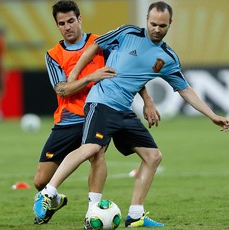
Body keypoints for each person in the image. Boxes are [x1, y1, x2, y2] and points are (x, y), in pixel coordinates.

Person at [34, 1, 229, 228]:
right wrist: (77, 74)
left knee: (153, 156)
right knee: (92, 149)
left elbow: (185, 89)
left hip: (124, 110)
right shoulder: (127, 32)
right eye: (153, 24)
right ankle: (48, 192)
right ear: (146, 19)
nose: (157, 29)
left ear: (170, 24)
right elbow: (95, 45)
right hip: (101, 102)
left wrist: (211, 115)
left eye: (162, 26)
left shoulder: (167, 57)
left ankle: (136, 215)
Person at [33, 0, 160, 226]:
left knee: (97, 153)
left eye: (71, 21)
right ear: (57, 26)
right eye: (61, 23)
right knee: (40, 180)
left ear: (79, 19)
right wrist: (91, 77)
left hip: (99, 110)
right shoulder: (53, 55)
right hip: (68, 118)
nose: (67, 27)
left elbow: (127, 72)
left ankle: (93, 211)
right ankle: (54, 199)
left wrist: (147, 100)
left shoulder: (102, 43)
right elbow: (62, 90)